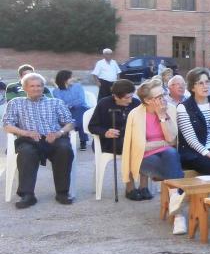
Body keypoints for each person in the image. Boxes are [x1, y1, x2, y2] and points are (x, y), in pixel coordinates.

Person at [122, 79, 187, 234]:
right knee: (174, 167)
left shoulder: (170, 109)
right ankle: (177, 206)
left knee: (171, 153)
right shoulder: (135, 114)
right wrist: (163, 143)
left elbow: (172, 140)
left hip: (167, 156)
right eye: (159, 97)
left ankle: (177, 213)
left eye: (163, 94)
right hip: (143, 158)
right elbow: (141, 147)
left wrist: (162, 116)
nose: (164, 99)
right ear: (147, 100)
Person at [2, 72, 74, 209]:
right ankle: (27, 195)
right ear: (25, 88)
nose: (36, 89)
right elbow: (7, 125)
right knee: (26, 153)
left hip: (53, 137)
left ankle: (62, 193)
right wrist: (25, 132)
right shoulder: (16, 103)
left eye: (39, 86)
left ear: (43, 87)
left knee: (64, 149)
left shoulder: (56, 102)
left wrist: (59, 133)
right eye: (32, 86)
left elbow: (70, 123)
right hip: (29, 139)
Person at [88, 79, 140, 157]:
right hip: (108, 141)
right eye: (126, 98)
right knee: (135, 147)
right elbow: (92, 126)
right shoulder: (104, 104)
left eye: (131, 96)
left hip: (131, 138)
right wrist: (105, 132)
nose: (130, 101)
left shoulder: (136, 103)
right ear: (115, 96)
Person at [53, 70, 89, 150]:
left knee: (80, 114)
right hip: (66, 111)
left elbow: (81, 100)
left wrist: (68, 104)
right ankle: (81, 139)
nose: (73, 79)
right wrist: (69, 105)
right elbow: (60, 103)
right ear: (64, 79)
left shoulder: (78, 86)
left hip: (81, 108)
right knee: (74, 118)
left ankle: (80, 136)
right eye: (70, 77)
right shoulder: (56, 91)